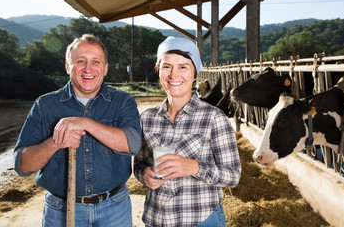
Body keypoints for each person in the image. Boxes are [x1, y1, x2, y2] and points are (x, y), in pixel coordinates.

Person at [14, 34, 141, 226]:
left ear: (105, 68)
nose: (88, 69)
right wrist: (55, 142)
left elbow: (133, 144)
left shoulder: (123, 101)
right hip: (60, 211)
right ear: (68, 67)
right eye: (80, 61)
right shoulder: (45, 105)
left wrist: (86, 123)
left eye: (95, 62)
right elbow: (22, 166)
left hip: (114, 210)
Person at [134, 36, 241, 227]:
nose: (174, 75)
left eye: (183, 67)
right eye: (166, 66)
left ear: (195, 73)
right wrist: (144, 175)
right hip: (157, 218)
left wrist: (194, 167)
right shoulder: (147, 118)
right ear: (158, 70)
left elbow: (233, 175)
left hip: (200, 219)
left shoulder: (214, 118)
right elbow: (139, 164)